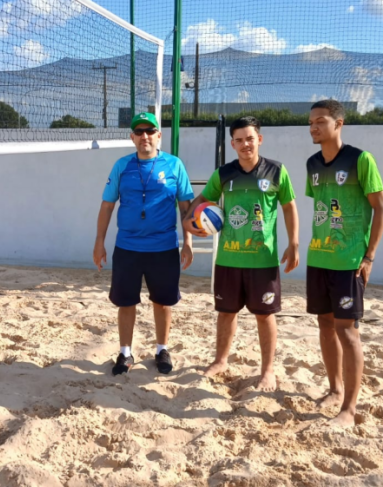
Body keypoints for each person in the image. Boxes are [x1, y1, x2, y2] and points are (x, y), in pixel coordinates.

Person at [182, 116, 299, 391]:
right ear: (232, 143)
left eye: (250, 138)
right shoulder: (224, 174)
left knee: (265, 315)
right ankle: (220, 360)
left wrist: (294, 243)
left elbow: (289, 207)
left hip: (263, 259)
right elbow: (202, 200)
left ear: (259, 139)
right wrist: (188, 220)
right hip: (229, 258)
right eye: (239, 140)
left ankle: (268, 370)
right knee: (226, 312)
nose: (245, 144)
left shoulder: (276, 171)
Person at [93, 112, 194, 375]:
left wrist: (188, 242)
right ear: (132, 137)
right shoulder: (122, 166)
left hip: (164, 247)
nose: (144, 136)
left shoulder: (174, 165)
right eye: (139, 132)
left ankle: (162, 349)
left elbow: (186, 207)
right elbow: (107, 206)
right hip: (127, 247)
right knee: (126, 302)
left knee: (162, 302)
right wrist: (99, 241)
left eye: (150, 131)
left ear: (159, 135)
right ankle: (125, 353)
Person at [306, 99, 383, 427]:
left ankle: (349, 410)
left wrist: (369, 256)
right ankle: (335, 390)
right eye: (310, 122)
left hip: (349, 261)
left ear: (339, 124)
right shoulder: (312, 163)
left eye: (321, 121)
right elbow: (323, 209)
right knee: (324, 323)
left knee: (347, 330)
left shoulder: (360, 159)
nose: (314, 127)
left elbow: (379, 208)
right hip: (318, 256)